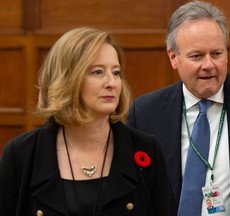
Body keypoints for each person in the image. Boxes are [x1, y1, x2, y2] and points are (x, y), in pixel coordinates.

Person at [126, 1, 230, 216]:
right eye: (197, 56)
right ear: (173, 57)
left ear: (227, 54)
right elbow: (137, 195)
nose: (209, 65)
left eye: (217, 54)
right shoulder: (145, 112)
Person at [0, 27, 176, 216]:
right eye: (98, 72)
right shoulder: (21, 155)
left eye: (116, 72)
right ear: (68, 79)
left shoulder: (146, 150)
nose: (112, 83)